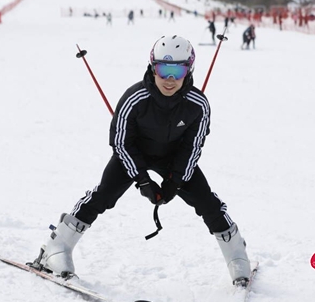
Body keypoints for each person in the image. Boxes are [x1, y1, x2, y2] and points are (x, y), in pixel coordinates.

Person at [28, 35, 253, 288]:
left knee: (206, 200)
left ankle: (236, 253)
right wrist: (143, 181)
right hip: (135, 153)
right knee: (104, 195)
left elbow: (193, 146)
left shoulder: (197, 104)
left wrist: (174, 181)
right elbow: (121, 143)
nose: (169, 79)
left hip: (173, 157)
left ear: (188, 69)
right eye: (163, 69)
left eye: (177, 71)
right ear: (152, 67)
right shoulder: (134, 98)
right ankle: (57, 247)